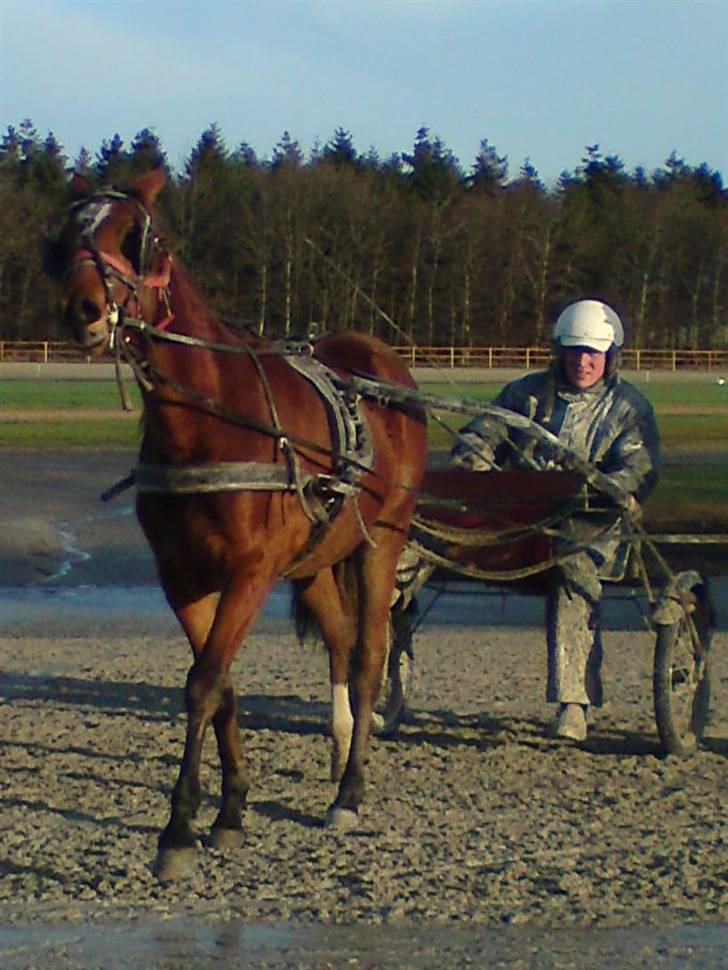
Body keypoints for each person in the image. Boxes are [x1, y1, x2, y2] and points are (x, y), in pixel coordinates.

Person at [449, 298, 660, 742]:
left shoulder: (629, 409)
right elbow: (478, 437)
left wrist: (595, 489)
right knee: (419, 539)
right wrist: (477, 467)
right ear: (559, 351)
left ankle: (574, 704)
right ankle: (377, 687)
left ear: (610, 355)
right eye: (575, 351)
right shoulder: (524, 394)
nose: (583, 362)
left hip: (591, 529)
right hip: (517, 524)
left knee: (572, 566)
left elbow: (638, 470)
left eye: (593, 353)